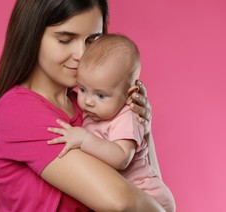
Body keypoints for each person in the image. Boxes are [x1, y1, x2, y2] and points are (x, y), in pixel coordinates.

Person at [0, 0, 165, 211]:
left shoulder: (91, 106)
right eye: (65, 40)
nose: (81, 55)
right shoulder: (18, 112)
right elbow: (125, 203)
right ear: (32, 35)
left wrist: (143, 127)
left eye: (92, 41)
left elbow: (149, 185)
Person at [47, 33, 176, 212]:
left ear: (129, 94)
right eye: (83, 89)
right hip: (126, 195)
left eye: (100, 95)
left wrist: (84, 139)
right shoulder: (94, 112)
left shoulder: (127, 116)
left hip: (150, 197)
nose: (88, 101)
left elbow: (121, 158)